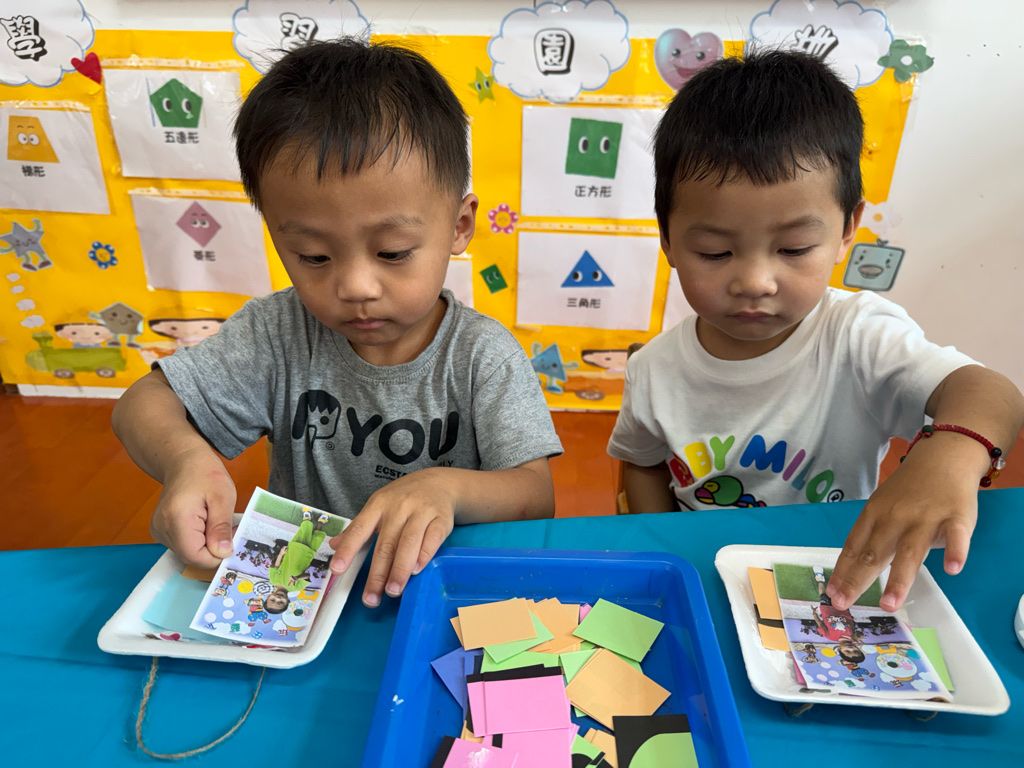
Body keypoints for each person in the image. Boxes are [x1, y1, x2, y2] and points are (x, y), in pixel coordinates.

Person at [112, 38, 562, 609]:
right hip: (302, 595)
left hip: (439, 588)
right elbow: (141, 404)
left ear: (458, 226)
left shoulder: (482, 356)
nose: (356, 286)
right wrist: (185, 460)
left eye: (393, 251)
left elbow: (534, 496)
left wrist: (446, 488)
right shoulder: (276, 334)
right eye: (315, 257)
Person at [608, 49, 1024, 612]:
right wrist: (665, 549)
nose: (754, 282)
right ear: (667, 239)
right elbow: (642, 461)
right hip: (705, 574)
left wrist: (951, 451)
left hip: (831, 572)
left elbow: (993, 393)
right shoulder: (652, 369)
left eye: (794, 248)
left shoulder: (860, 337)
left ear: (848, 228)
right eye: (714, 251)